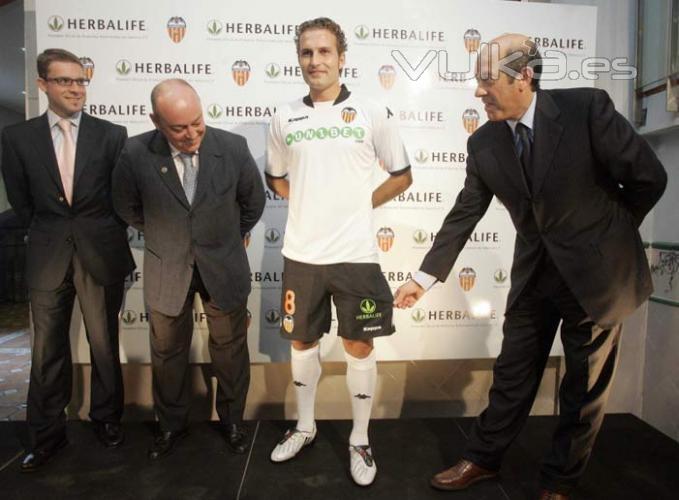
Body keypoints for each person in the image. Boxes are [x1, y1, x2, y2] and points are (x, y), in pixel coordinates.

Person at [394, 33, 667, 499]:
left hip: (595, 280)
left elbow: (648, 178)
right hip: (534, 278)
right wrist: (424, 277)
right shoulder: (484, 143)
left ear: (524, 76)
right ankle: (482, 458)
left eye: (486, 79)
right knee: (512, 372)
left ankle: (560, 481)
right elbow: (465, 212)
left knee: (583, 389)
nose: (478, 91)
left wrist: (608, 236)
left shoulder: (587, 109)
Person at [266, 17, 412, 486]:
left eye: (325, 52)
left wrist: (357, 204)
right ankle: (306, 427)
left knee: (358, 344)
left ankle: (359, 440)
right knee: (302, 341)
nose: (315, 61)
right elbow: (275, 176)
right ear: (299, 58)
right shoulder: (284, 115)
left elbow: (402, 174)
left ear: (342, 57)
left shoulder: (371, 111)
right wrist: (310, 203)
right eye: (307, 52)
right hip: (301, 254)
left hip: (356, 255)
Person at [112, 79, 265, 459]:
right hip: (168, 268)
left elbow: (254, 202)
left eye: (197, 121)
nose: (191, 133)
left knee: (230, 352)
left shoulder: (232, 147)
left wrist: (228, 236)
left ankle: (232, 422)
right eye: (179, 128)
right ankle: (170, 426)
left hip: (223, 266)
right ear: (156, 121)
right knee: (166, 353)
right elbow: (125, 206)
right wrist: (171, 236)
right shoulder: (134, 152)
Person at [1, 49, 134, 471]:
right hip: (47, 254)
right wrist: (53, 232)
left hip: (101, 250)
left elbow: (121, 198)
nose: (76, 88)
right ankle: (45, 435)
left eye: (81, 81)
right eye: (65, 81)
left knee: (103, 343)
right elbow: (21, 201)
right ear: (43, 85)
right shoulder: (17, 138)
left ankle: (108, 419)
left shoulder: (111, 134)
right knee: (46, 351)